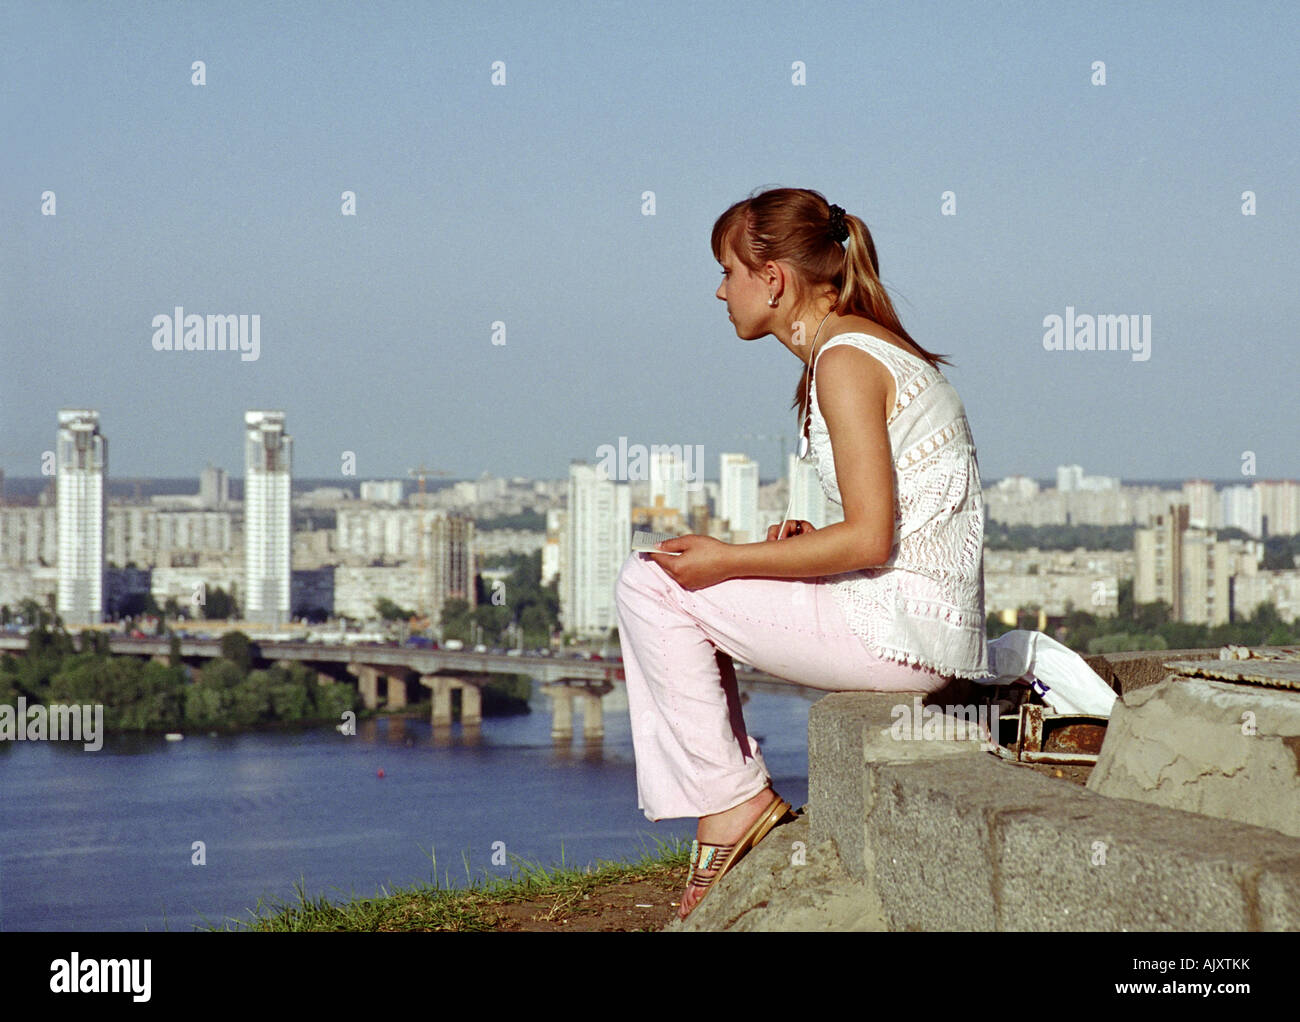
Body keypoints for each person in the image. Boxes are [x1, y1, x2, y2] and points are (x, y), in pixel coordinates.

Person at [614, 186, 988, 920]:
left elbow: (872, 539)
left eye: (728, 271)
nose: (719, 291)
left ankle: (732, 803)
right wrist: (799, 546)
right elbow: (887, 531)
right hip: (924, 628)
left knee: (649, 583)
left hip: (902, 639)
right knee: (669, 580)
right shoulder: (861, 346)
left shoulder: (845, 360)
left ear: (774, 279)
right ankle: (731, 799)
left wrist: (730, 560)